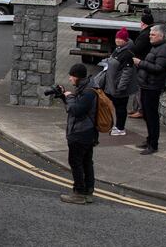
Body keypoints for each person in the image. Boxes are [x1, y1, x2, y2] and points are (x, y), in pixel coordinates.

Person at [60, 63, 98, 204]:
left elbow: (76, 110)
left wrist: (69, 97)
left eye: (71, 76)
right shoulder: (86, 87)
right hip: (87, 132)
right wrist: (64, 97)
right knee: (86, 162)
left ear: (76, 76)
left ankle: (79, 193)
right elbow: (73, 107)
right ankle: (88, 192)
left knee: (76, 162)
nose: (69, 79)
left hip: (81, 132)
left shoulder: (88, 92)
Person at [132, 24, 166, 155]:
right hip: (146, 85)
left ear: (161, 36)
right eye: (150, 34)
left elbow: (158, 68)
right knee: (147, 115)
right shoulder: (156, 47)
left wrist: (140, 63)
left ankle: (153, 145)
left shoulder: (164, 49)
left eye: (153, 34)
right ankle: (149, 140)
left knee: (151, 116)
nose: (150, 36)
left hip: (153, 87)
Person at [104, 27, 137, 136]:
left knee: (121, 107)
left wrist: (120, 87)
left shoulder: (127, 53)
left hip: (119, 87)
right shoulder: (118, 50)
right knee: (116, 106)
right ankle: (117, 126)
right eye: (116, 38)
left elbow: (127, 73)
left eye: (120, 39)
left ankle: (120, 128)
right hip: (113, 85)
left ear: (125, 40)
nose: (117, 40)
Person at [128, 10, 154, 119]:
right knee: (137, 87)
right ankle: (136, 108)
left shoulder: (144, 35)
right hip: (143, 63)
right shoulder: (148, 32)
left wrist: (130, 48)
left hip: (141, 63)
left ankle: (140, 110)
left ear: (143, 23)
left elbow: (137, 48)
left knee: (139, 87)